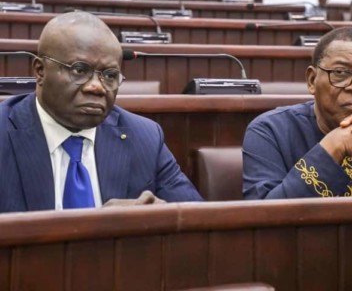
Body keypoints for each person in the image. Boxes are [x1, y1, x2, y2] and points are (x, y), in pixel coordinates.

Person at [0, 11, 202, 213]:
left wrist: (156, 215)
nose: (96, 87)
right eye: (79, 70)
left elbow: (196, 219)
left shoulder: (145, 138)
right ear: (40, 71)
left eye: (110, 75)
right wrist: (102, 225)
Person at [243, 27, 352, 199]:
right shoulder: (271, 130)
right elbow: (265, 212)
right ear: (312, 80)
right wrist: (336, 145)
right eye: (340, 73)